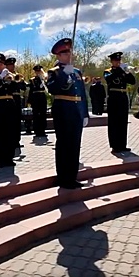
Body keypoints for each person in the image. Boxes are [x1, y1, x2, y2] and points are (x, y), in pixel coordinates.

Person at [46, 38, 89, 188]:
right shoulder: (54, 72)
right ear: (58, 56)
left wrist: (85, 114)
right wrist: (65, 76)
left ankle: (72, 176)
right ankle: (63, 177)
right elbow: (53, 89)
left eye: (69, 52)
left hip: (76, 110)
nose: (69, 55)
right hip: (63, 109)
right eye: (65, 53)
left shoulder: (77, 71)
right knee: (64, 143)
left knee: (75, 144)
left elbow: (82, 94)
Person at [104, 52, 136, 153]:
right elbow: (109, 79)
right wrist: (119, 70)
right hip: (114, 97)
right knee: (114, 121)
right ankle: (114, 145)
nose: (118, 62)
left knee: (123, 121)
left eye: (119, 60)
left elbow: (132, 81)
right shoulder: (108, 71)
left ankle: (122, 144)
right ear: (112, 61)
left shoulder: (123, 71)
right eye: (116, 60)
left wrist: (127, 72)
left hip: (123, 97)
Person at [5, 57, 24, 148]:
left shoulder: (18, 75)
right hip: (9, 98)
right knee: (10, 120)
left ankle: (17, 141)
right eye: (9, 65)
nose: (12, 67)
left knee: (17, 120)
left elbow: (23, 87)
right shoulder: (5, 76)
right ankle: (11, 140)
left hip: (17, 98)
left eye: (13, 65)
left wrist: (21, 82)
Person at [26, 65, 48, 137]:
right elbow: (31, 90)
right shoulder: (32, 80)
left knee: (43, 114)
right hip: (35, 97)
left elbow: (47, 87)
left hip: (42, 97)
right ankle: (37, 130)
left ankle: (43, 130)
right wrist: (29, 101)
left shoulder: (44, 79)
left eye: (39, 71)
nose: (38, 72)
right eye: (37, 71)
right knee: (36, 114)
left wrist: (43, 78)